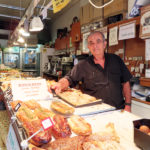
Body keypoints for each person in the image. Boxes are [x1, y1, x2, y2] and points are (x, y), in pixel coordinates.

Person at [52, 31, 132, 112]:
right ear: (88, 47)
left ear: (104, 44)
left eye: (98, 41)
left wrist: (128, 105)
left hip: (119, 110)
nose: (95, 45)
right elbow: (69, 78)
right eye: (91, 43)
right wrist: (60, 85)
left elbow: (126, 82)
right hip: (94, 112)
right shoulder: (82, 65)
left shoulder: (116, 60)